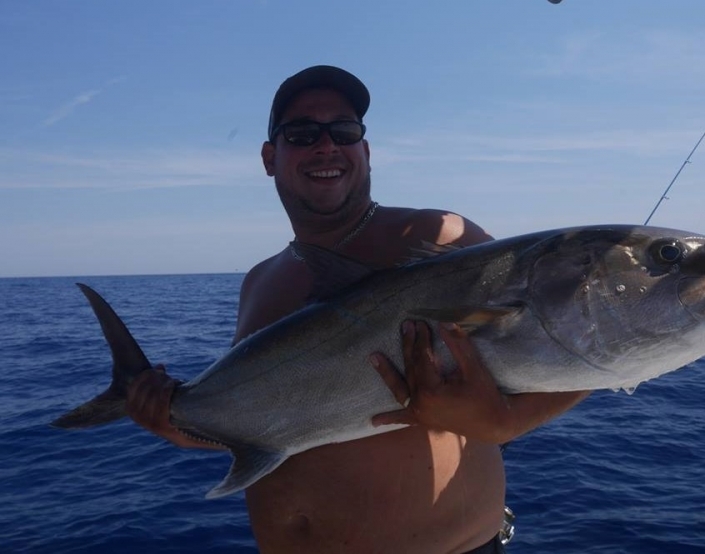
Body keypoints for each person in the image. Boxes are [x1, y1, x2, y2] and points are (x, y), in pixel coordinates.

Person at [127, 65, 591, 554]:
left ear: (365, 151)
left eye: (344, 132)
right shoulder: (261, 281)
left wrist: (507, 423)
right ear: (270, 157)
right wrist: (184, 428)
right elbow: (280, 417)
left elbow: (585, 335)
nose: (326, 146)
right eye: (302, 134)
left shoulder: (443, 238)